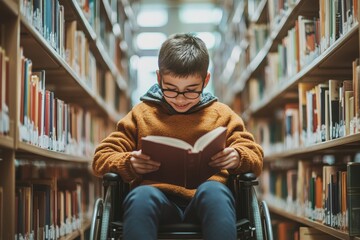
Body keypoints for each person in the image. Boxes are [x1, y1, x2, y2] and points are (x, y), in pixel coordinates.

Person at [92, 33, 263, 240]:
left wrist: (238, 156)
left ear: (206, 80)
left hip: (208, 203)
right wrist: (129, 163)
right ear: (159, 78)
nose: (181, 100)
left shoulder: (223, 115)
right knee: (141, 196)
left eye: (191, 91)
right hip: (156, 202)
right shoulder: (141, 114)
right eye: (171, 90)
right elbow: (101, 157)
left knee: (214, 191)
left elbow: (255, 155)